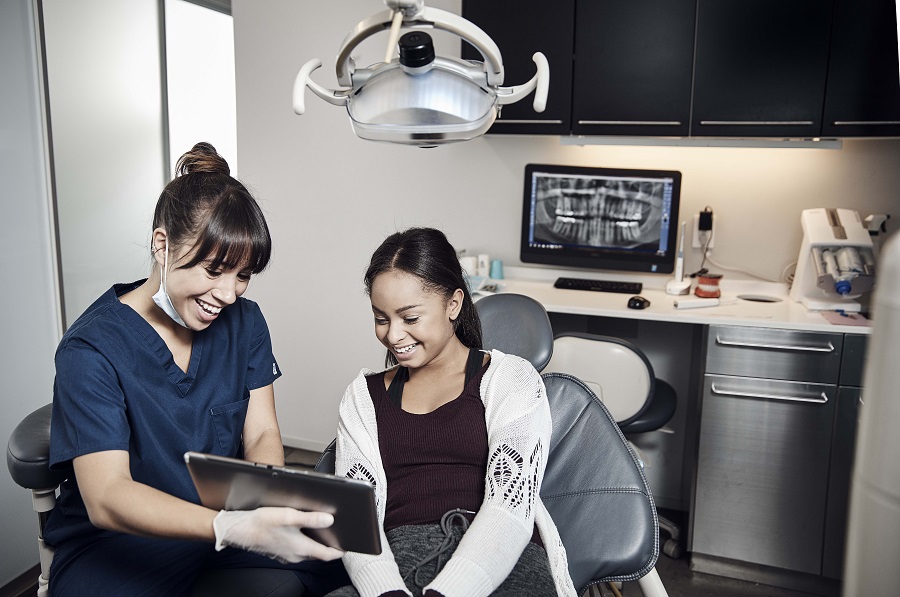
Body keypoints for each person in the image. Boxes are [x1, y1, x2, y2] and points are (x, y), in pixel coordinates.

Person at [43, 143, 349, 596]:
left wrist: (262, 507)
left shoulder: (245, 323)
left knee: (345, 558)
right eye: (214, 270)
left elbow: (261, 434)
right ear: (162, 245)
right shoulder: (91, 349)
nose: (228, 293)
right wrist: (229, 527)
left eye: (242, 275)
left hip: (226, 526)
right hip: (119, 544)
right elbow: (107, 497)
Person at [328, 228, 577, 597]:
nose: (394, 335)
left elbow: (510, 506)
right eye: (381, 318)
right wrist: (386, 593)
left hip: (503, 562)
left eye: (410, 318)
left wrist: (445, 593)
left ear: (453, 304)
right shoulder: (362, 398)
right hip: (400, 566)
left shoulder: (511, 380)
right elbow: (354, 517)